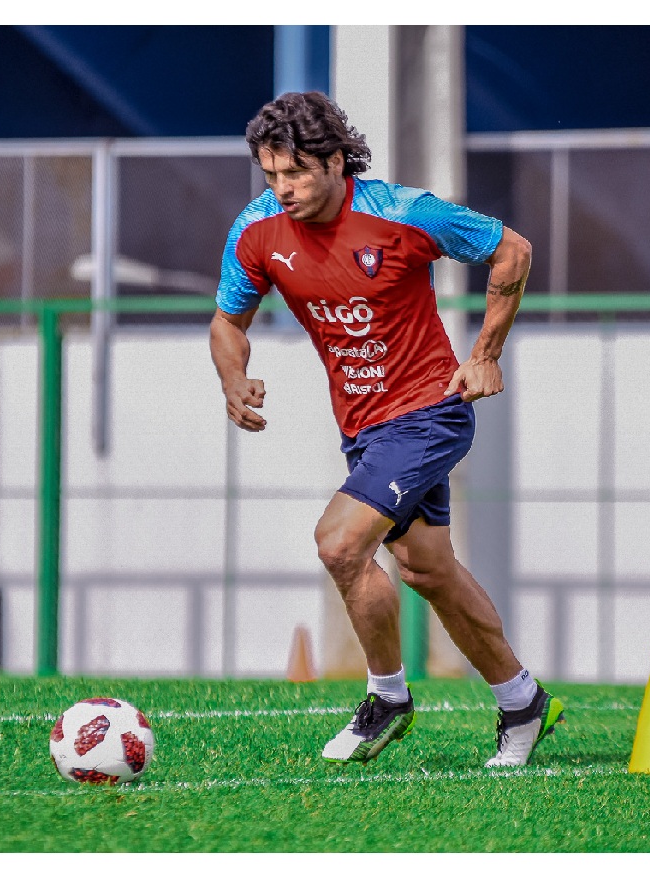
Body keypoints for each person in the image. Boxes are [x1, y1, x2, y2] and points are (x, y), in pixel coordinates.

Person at [210, 91, 562, 768]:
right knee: (428, 570)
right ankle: (522, 702)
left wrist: (485, 354)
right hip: (365, 427)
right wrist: (234, 377)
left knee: (339, 543)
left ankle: (387, 698)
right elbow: (228, 319)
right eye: (272, 176)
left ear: (338, 160)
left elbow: (510, 251)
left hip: (430, 413)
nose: (283, 190)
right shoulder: (255, 231)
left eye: (298, 174)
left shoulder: (402, 213)